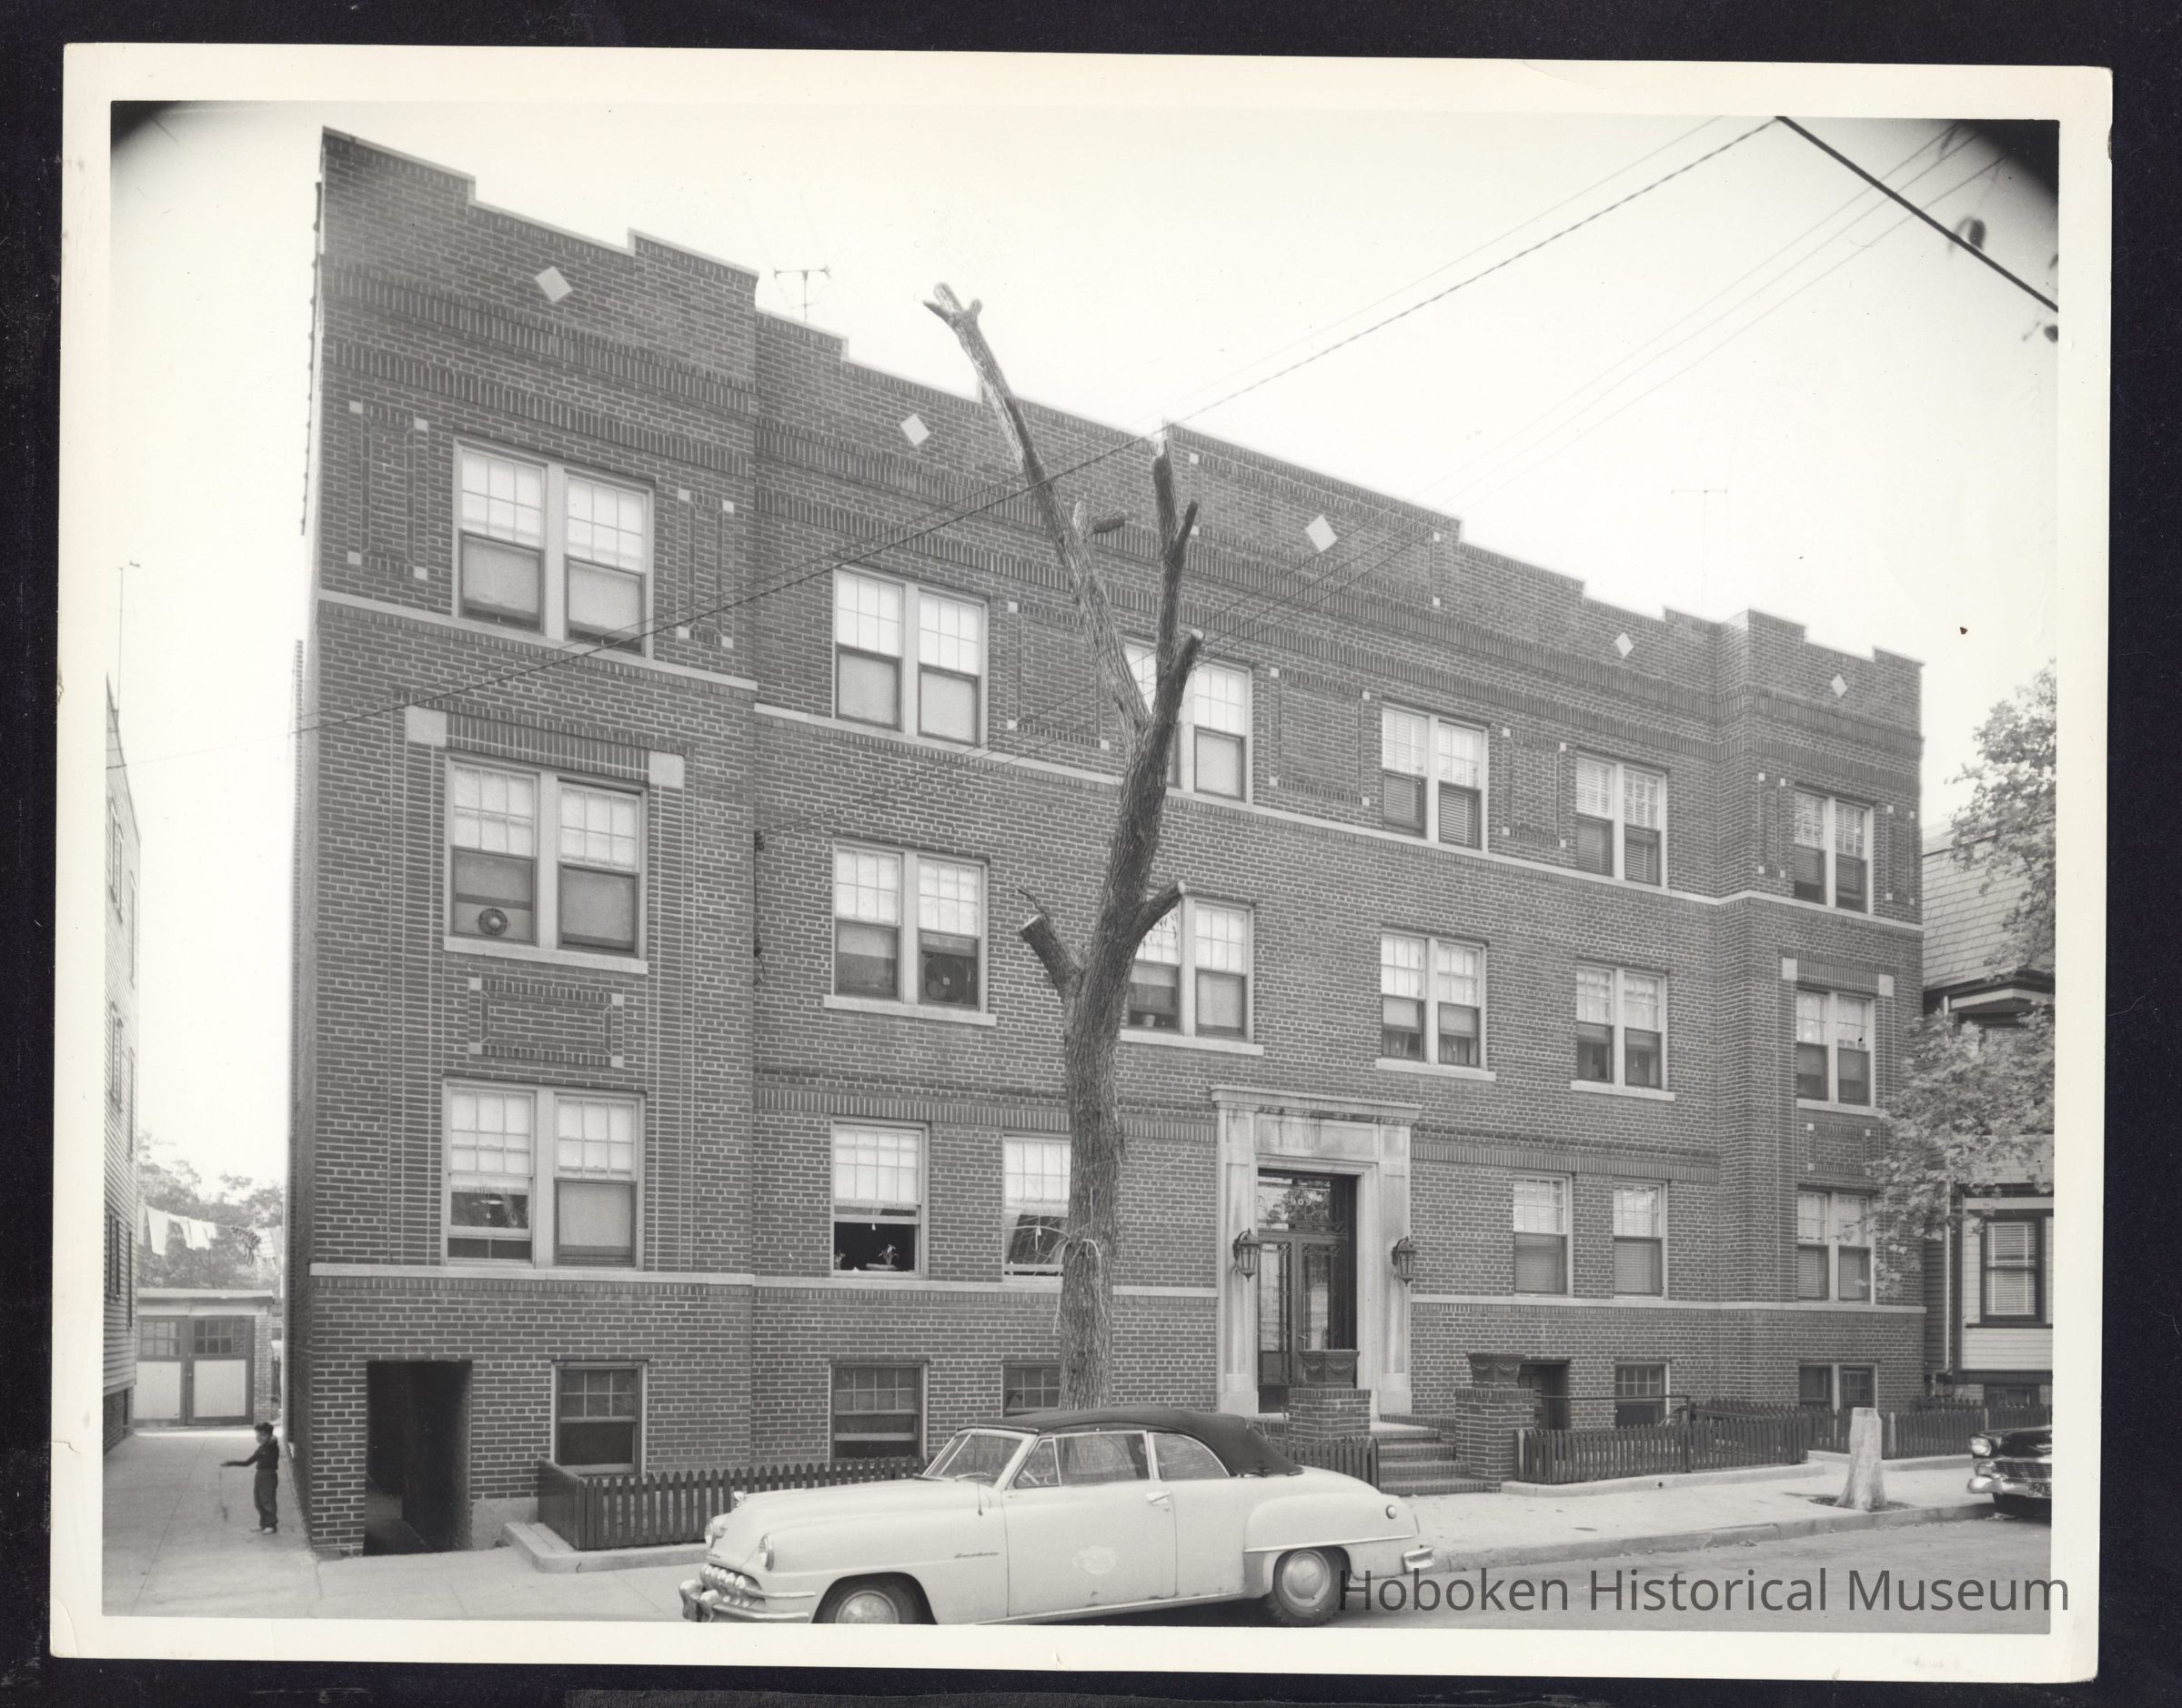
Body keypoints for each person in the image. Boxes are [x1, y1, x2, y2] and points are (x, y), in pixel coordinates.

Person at [224, 1422, 281, 1534]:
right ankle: (264, 1524)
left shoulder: (272, 1446)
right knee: (258, 1501)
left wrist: (272, 1438)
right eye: (258, 1435)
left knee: (267, 1500)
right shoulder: (261, 1449)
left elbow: (274, 1441)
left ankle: (271, 1525)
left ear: (270, 1435)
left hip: (269, 1475)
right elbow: (247, 1462)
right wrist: (231, 1463)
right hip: (260, 1475)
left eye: (263, 1435)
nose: (259, 1437)